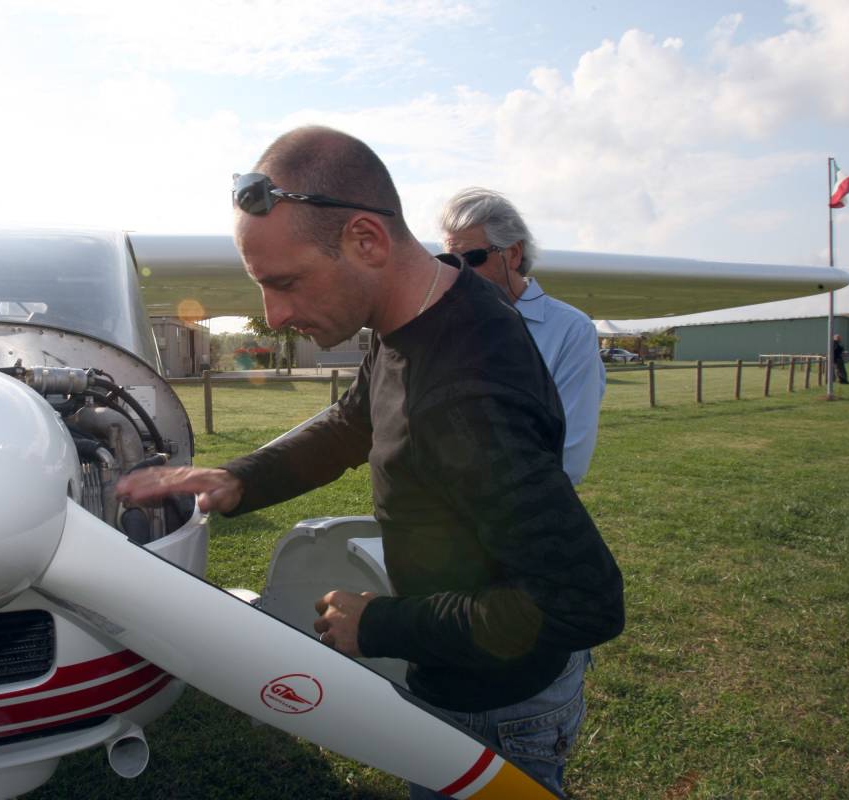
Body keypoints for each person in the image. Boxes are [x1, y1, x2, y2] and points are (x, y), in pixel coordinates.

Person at [117, 127, 624, 795]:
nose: (273, 315)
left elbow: (581, 603)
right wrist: (242, 478)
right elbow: (353, 420)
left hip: (499, 704)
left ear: (366, 240)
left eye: (287, 282)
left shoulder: (469, 394)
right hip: (456, 674)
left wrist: (380, 623)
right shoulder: (415, 316)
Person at [440, 188, 604, 485]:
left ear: (513, 254)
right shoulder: (449, 325)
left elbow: (570, 455)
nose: (459, 273)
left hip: (523, 511)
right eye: (451, 262)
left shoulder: (571, 330)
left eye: (472, 258)